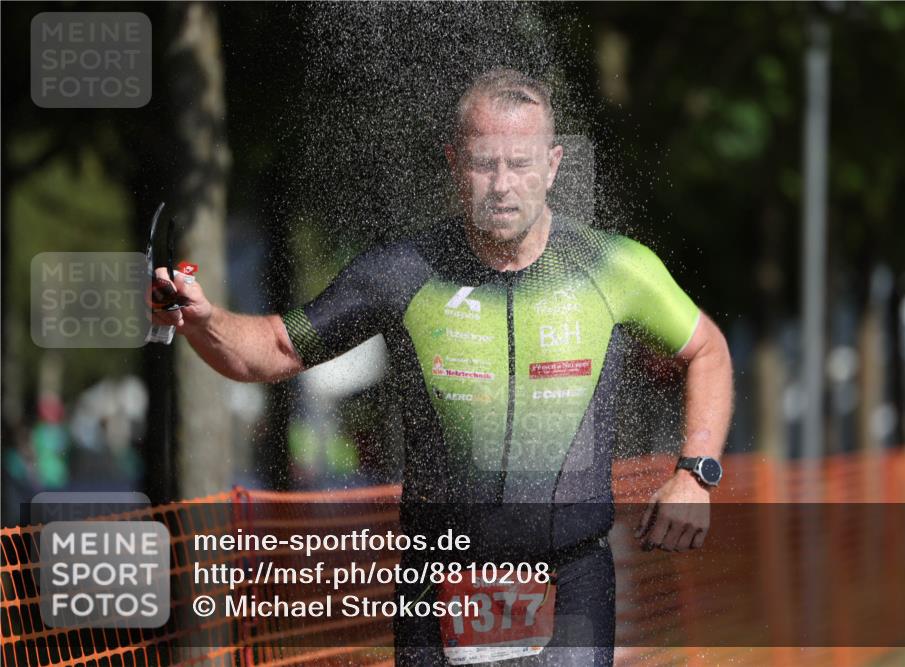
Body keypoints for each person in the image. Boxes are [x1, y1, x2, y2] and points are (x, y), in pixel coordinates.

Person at [153, 68, 733, 666]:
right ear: (455, 164)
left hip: (572, 576)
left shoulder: (612, 266)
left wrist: (696, 472)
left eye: (522, 163)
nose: (503, 185)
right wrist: (202, 318)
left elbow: (706, 349)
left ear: (554, 166)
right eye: (485, 163)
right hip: (439, 578)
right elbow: (273, 348)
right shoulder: (401, 272)